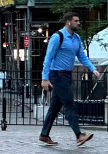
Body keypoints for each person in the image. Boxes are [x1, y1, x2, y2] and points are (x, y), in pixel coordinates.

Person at [39, 12, 100, 146]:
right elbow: (48, 58)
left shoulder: (76, 38)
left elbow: (81, 55)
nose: (78, 23)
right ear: (68, 22)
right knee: (69, 104)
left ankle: (44, 135)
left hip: (67, 75)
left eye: (78, 21)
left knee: (55, 107)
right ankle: (79, 135)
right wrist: (44, 78)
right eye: (76, 21)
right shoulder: (57, 37)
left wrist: (92, 68)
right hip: (57, 75)